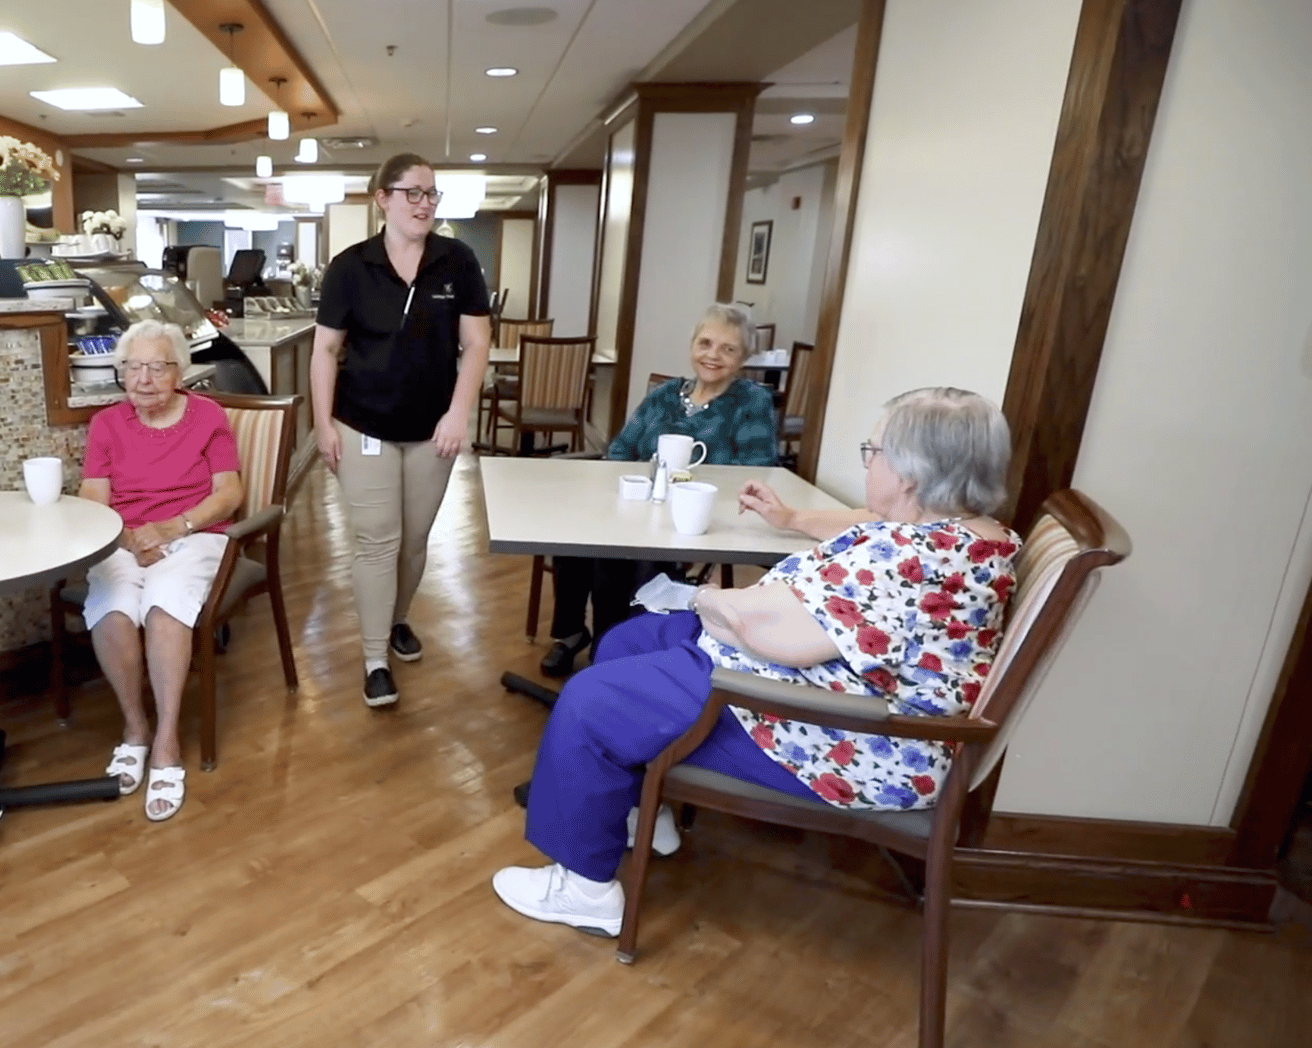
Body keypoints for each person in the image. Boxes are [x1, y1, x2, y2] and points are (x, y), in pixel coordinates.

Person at [492, 387, 1019, 937]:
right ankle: (643, 812)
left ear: (911, 474)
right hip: (839, 692)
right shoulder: (965, 535)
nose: (868, 462)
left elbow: (768, 634)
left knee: (590, 701)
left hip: (847, 735)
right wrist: (791, 521)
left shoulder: (909, 561)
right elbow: (866, 527)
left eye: (874, 451)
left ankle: (584, 888)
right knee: (631, 640)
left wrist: (703, 600)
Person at [311, 151, 493, 708]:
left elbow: (477, 343)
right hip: (363, 422)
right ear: (382, 199)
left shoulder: (457, 261)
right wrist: (322, 424)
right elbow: (325, 348)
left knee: (413, 542)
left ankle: (396, 619)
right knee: (376, 540)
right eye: (412, 192)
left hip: (432, 429)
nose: (424, 204)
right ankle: (373, 658)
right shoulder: (350, 267)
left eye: (431, 193)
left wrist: (458, 413)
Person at [541, 303, 778, 678]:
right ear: (691, 346)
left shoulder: (750, 402)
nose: (712, 355)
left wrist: (684, 485)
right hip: (639, 504)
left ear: (745, 356)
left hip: (696, 517)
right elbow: (620, 449)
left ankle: (612, 650)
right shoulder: (665, 394)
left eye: (728, 349)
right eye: (705, 343)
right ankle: (573, 634)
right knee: (575, 533)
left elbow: (758, 466)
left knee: (615, 556)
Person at [79, 319, 245, 821]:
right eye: (133, 367)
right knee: (111, 605)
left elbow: (229, 492)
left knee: (165, 606)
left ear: (179, 372)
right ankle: (136, 727)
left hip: (192, 534)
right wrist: (126, 536)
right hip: (125, 537)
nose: (144, 379)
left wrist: (173, 528)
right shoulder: (106, 425)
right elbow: (93, 495)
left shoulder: (208, 416)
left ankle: (168, 740)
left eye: (156, 367)